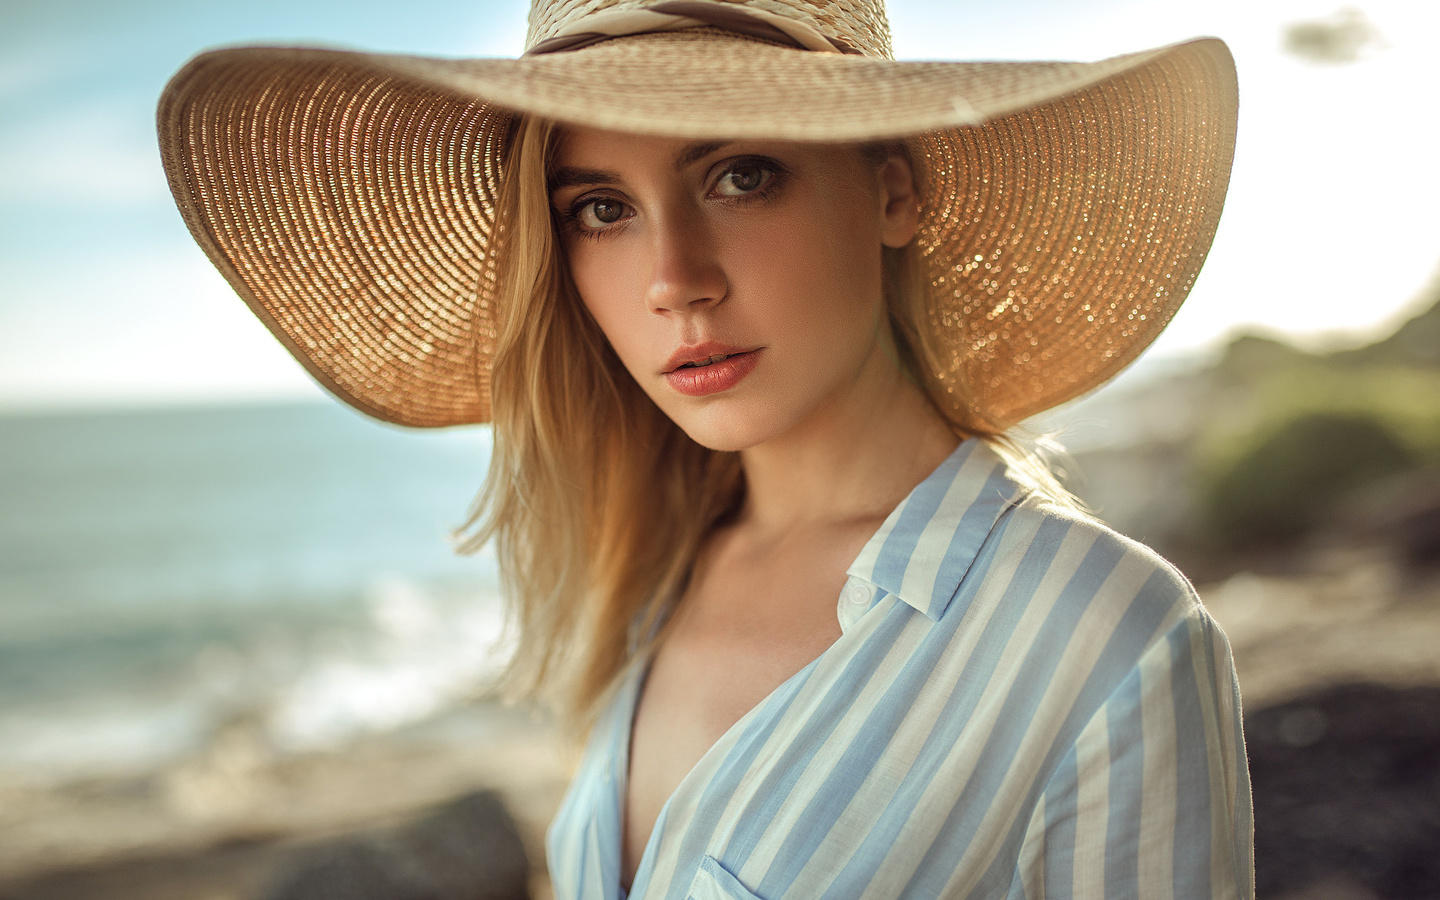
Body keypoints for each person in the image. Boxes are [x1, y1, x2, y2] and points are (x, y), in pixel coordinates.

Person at [157, 0, 1253, 896]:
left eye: (740, 175)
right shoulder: (656, 578)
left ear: (892, 186)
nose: (673, 279)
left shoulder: (1107, 637)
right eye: (600, 209)